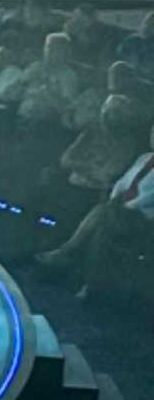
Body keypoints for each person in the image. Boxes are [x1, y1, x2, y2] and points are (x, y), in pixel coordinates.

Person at [36, 123, 154, 297]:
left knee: (102, 215)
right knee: (101, 224)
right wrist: (115, 199)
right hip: (119, 208)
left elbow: (150, 196)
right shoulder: (144, 158)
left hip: (144, 217)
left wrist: (126, 206)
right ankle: (87, 281)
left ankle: (66, 253)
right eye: (153, 131)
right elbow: (122, 182)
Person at [0, 0, 62, 65]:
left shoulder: (53, 30)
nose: (29, 8)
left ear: (43, 8)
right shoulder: (10, 25)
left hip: (40, 66)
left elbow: (56, 55)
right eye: (26, 4)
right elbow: (0, 47)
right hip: (10, 65)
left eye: (35, 5)